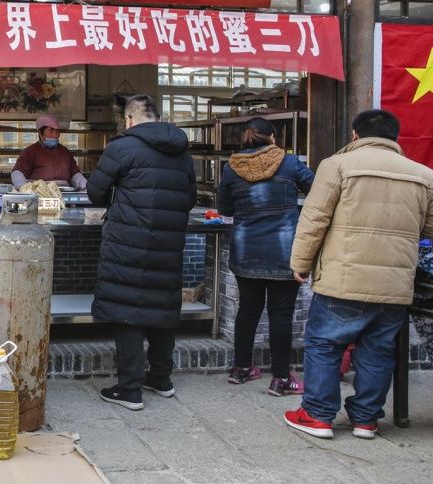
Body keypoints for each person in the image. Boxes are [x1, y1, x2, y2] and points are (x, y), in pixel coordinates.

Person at [285, 110, 433, 440]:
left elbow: (314, 220)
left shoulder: (336, 166)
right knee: (379, 351)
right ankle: (366, 420)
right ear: (395, 138)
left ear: (355, 135)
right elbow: (429, 227)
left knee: (324, 344)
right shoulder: (424, 175)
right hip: (394, 284)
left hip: (343, 277)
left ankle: (318, 415)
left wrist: (300, 263)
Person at [87, 94, 196, 410]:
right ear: (158, 119)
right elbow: (189, 198)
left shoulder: (121, 148)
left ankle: (130, 389)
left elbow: (95, 193)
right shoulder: (182, 152)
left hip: (127, 242)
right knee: (162, 308)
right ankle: (161, 379)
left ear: (129, 120)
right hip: (168, 241)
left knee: (127, 311)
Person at [218, 117, 314, 396]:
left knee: (248, 309)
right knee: (281, 314)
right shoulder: (290, 162)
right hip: (284, 250)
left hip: (246, 249)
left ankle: (241, 368)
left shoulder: (232, 167)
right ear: (272, 137)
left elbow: (225, 207)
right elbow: (318, 191)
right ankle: (282, 378)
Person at [11, 115, 88, 190]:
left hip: (63, 193)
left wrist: (86, 187)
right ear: (41, 134)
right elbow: (17, 173)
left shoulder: (64, 152)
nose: (55, 135)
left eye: (57, 131)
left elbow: (75, 174)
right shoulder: (30, 152)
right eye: (51, 130)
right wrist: (24, 189)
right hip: (39, 193)